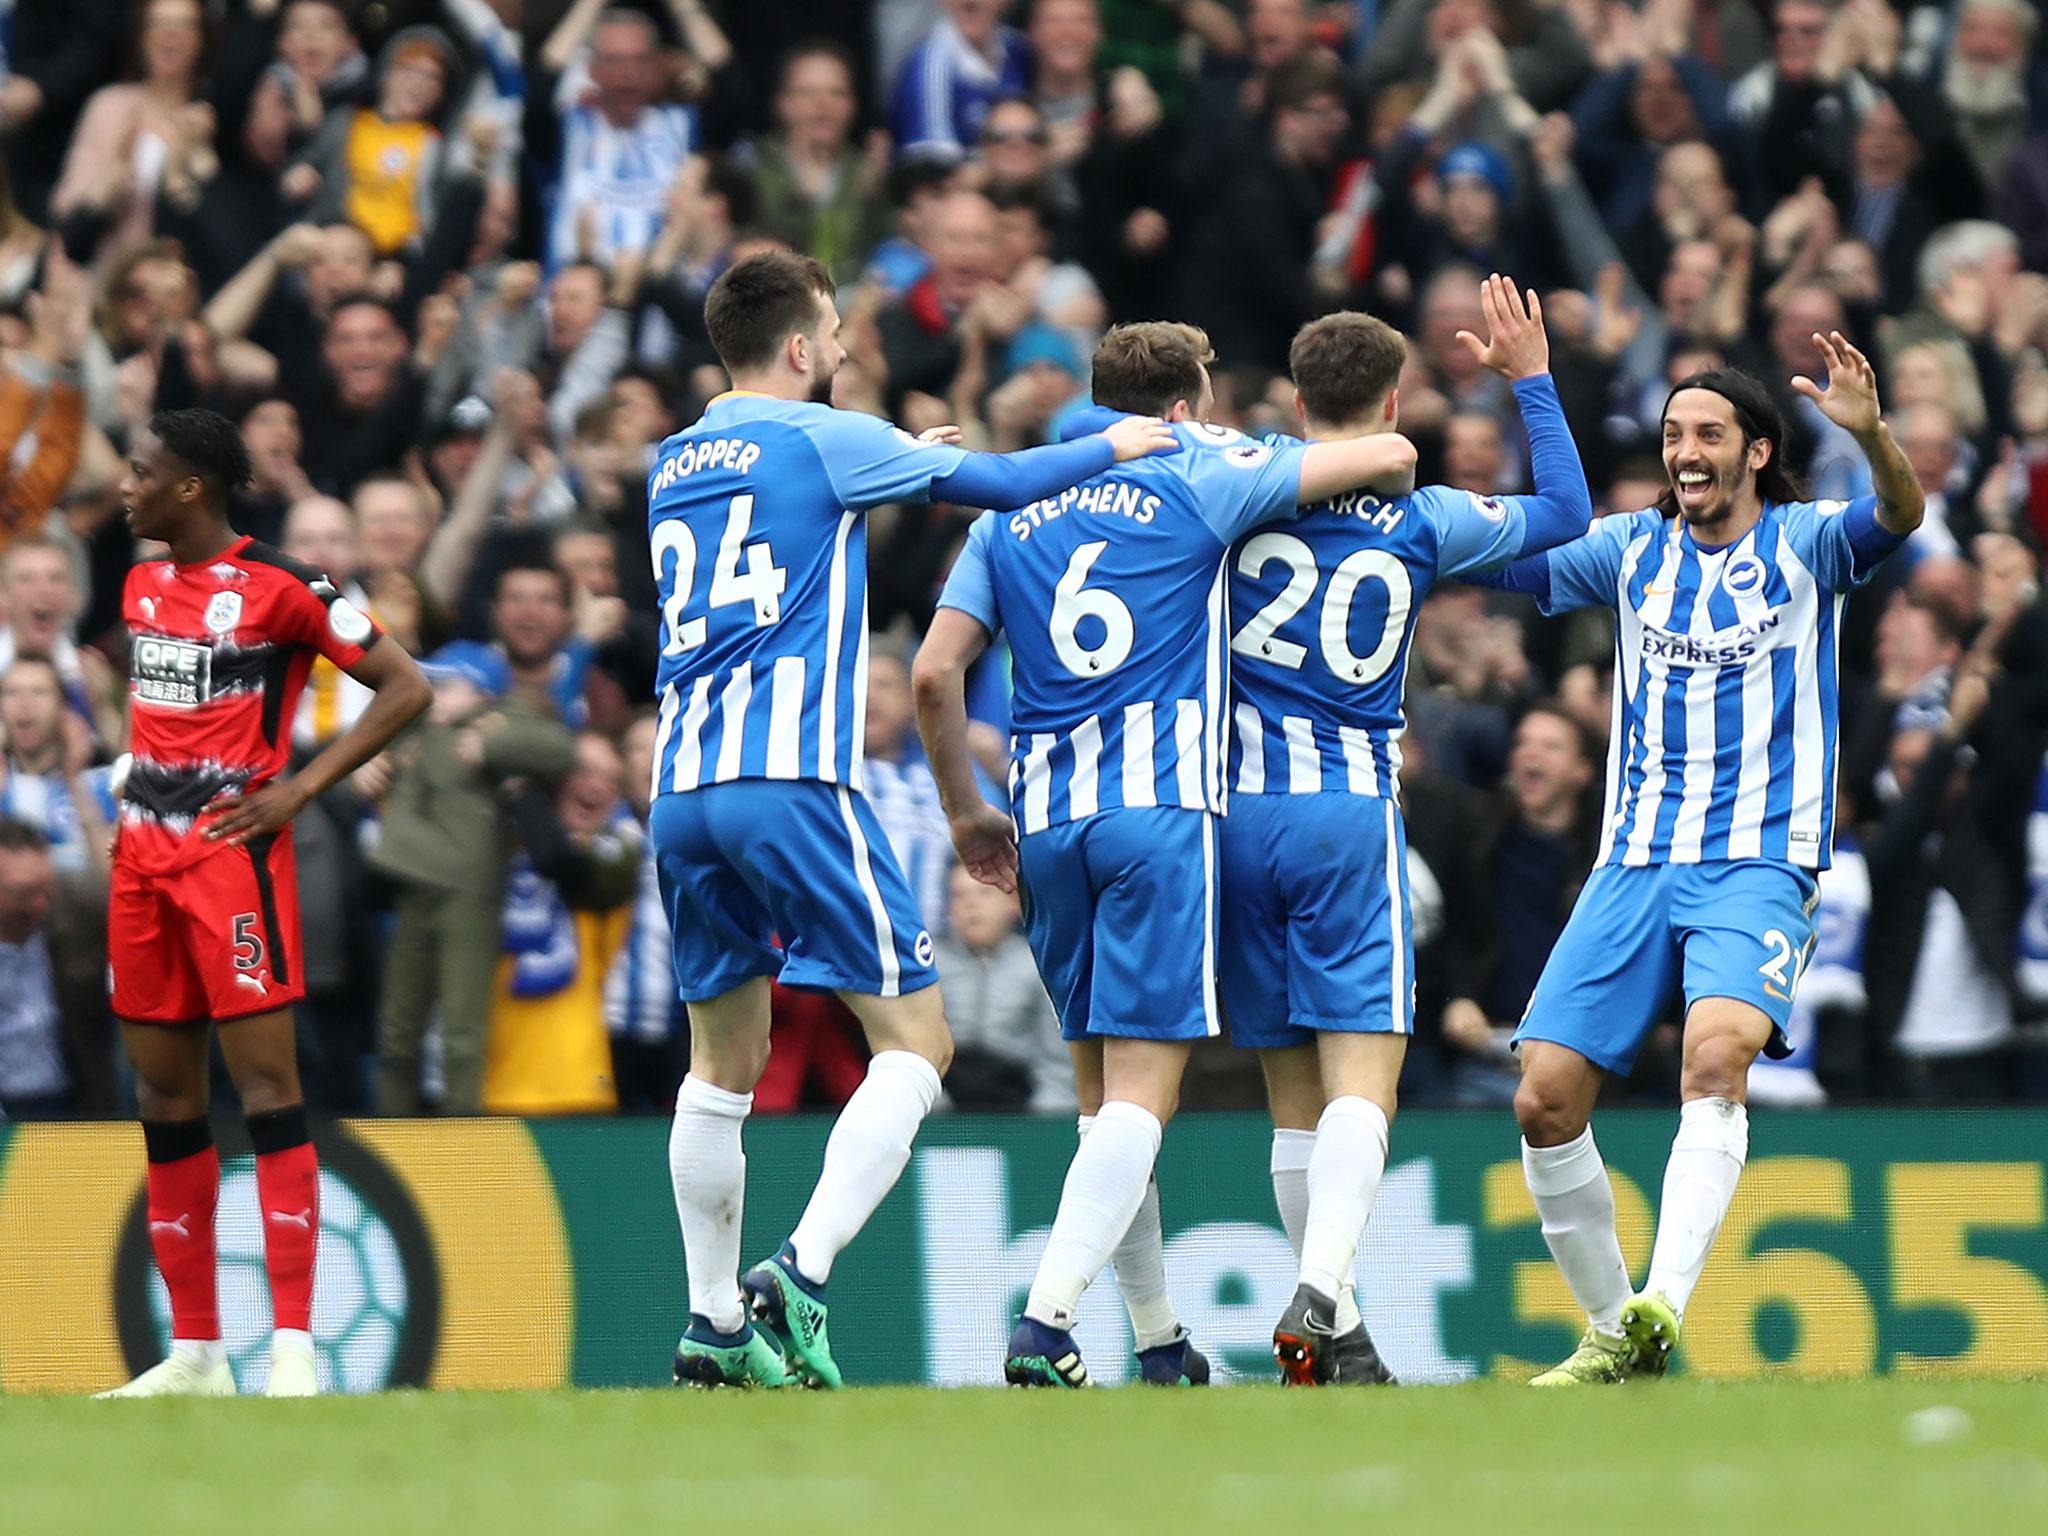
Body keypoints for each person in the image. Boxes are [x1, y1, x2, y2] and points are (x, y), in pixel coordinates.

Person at [652, 251, 1172, 1391]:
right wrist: (1116, 445)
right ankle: (802, 1266)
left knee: (719, 1065)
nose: (839, 351)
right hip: (791, 780)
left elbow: (788, 513)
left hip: (681, 790)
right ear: (798, 348)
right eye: (832, 333)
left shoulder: (674, 457)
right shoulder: (820, 437)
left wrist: (902, 460)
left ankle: (708, 1324)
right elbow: (996, 486)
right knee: (918, 1044)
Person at [912, 319, 1419, 1389]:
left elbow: (930, 675)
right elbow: (1384, 456)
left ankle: (1154, 1342)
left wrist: (965, 813)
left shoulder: (1012, 506)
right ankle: (1045, 1325)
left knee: (1101, 1105)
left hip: (1044, 824)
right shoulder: (1198, 470)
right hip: (1158, 818)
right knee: (1143, 1100)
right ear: (1184, 404)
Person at [1473, 341, 1925, 1383]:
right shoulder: (1628, 549)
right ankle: (1612, 1334)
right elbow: (1501, 554)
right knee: (1541, 1100)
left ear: (1755, 453)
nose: (1684, 451)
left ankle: (1659, 1303)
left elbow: (1895, 516)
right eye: (1673, 434)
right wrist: (1399, 508)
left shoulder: (1809, 544)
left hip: (1759, 862)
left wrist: (1870, 434)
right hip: (1630, 863)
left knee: (1713, 1055)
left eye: (1707, 434)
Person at [1224, 281, 1592, 1386]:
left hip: (1235, 818)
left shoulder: (1234, 491)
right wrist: (1528, 380)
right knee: (1362, 1083)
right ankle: (1319, 1294)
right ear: (1391, 402)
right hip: (1345, 815)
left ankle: (1335, 1339)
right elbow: (1566, 518)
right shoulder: (1423, 518)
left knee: (1293, 1098)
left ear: (1295, 403)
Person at [96, 408, 429, 1398]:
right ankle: (195, 1353)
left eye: (141, 471)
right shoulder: (142, 583)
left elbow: (404, 687)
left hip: (230, 867)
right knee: (165, 1100)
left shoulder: (288, 587)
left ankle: (293, 1346)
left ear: (189, 488)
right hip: (138, 869)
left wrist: (296, 788)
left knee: (270, 1095)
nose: (126, 485)